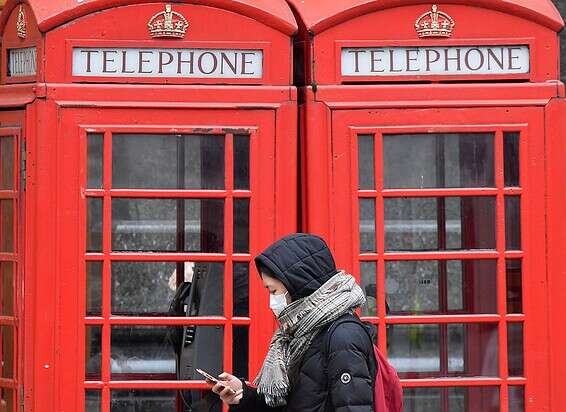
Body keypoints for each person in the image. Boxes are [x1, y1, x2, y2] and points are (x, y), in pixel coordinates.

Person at [207, 233, 377, 411]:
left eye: (273, 291)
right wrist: (243, 396)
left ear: (297, 285)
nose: (272, 301)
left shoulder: (343, 337)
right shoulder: (301, 333)